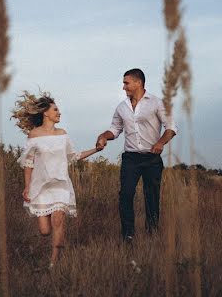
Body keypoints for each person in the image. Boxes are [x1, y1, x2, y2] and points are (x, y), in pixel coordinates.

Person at [13, 91, 102, 267]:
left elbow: (74, 156)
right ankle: (57, 241)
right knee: (45, 230)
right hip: (41, 186)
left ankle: (54, 262)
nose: (59, 112)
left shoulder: (62, 134)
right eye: (55, 110)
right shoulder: (34, 135)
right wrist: (27, 187)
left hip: (61, 184)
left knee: (58, 220)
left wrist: (95, 150)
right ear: (45, 112)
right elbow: (29, 163)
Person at [96, 68, 177, 242]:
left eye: (126, 82)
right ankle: (128, 236)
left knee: (152, 197)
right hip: (131, 159)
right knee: (125, 195)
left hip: (152, 158)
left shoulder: (156, 103)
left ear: (138, 82)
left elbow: (171, 128)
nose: (123, 87)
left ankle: (152, 235)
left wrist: (160, 143)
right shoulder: (121, 107)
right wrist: (104, 136)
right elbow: (115, 129)